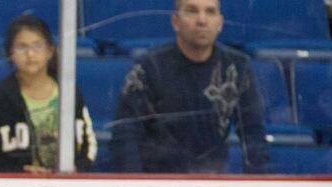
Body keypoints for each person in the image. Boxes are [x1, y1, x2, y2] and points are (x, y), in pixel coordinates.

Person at [111, 0, 269, 173]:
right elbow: (126, 134)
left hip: (213, 186)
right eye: (192, 11)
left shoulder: (237, 66)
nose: (202, 20)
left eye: (210, 12)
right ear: (175, 22)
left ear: (220, 23)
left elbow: (253, 135)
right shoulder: (149, 66)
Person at [0, 13, 96, 172]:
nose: (30, 54)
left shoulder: (69, 92)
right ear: (10, 53)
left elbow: (88, 144)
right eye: (22, 47)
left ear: (50, 51)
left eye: (37, 46)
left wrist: (76, 170)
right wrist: (18, 171)